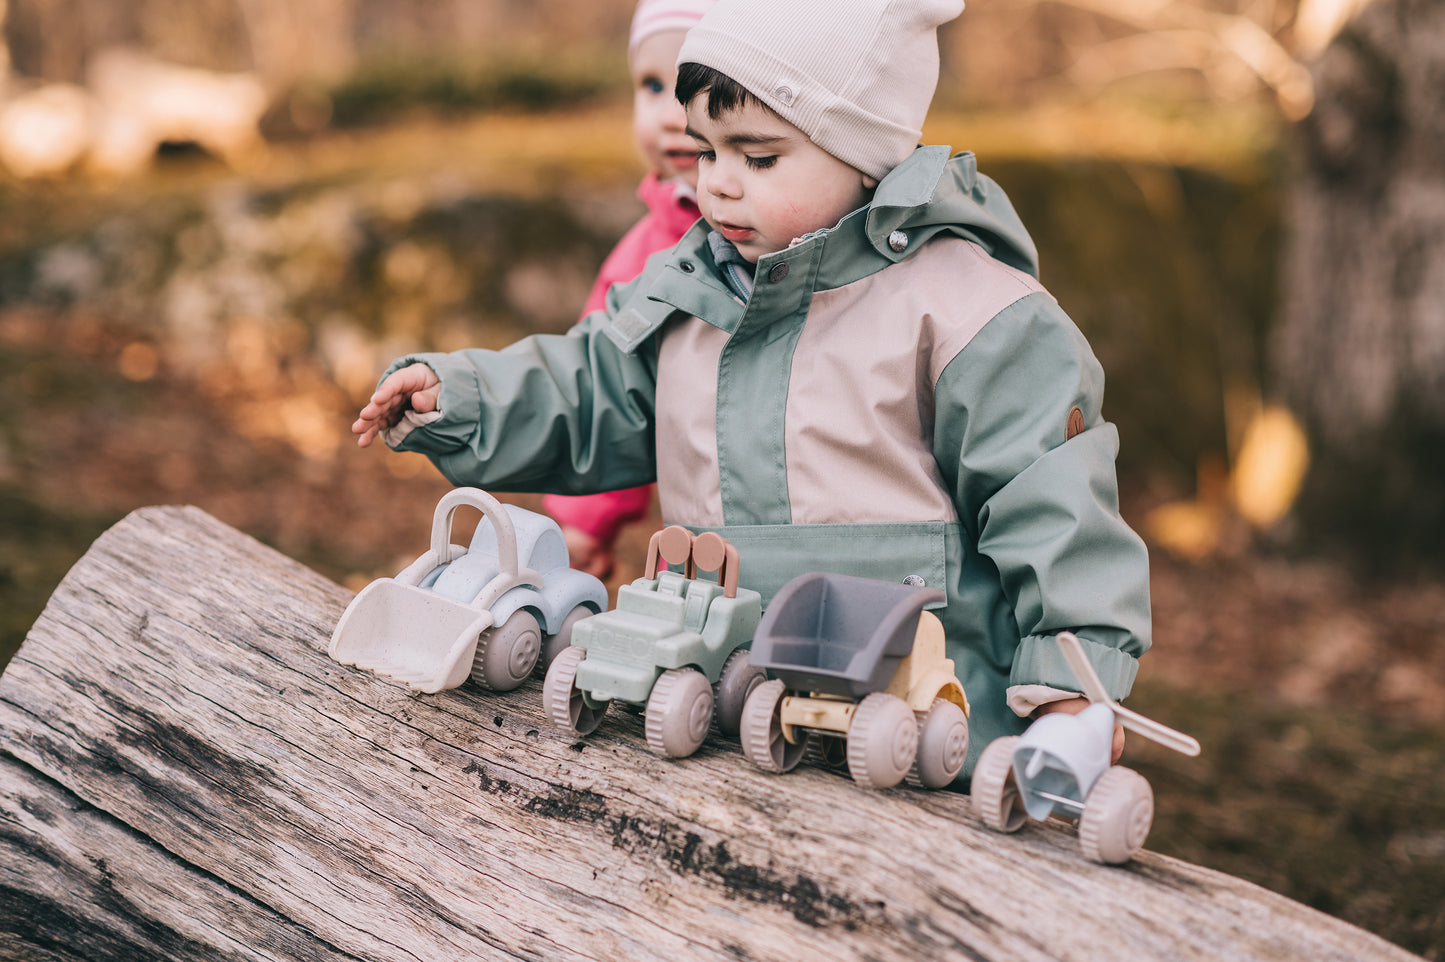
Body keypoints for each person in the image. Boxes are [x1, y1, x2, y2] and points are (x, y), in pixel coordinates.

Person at [353, 0, 1149, 779]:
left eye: (758, 157)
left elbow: (1051, 502)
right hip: (720, 723)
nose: (719, 187)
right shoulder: (686, 296)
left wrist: (1077, 687)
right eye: (705, 152)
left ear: (866, 153)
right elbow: (589, 391)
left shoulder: (971, 316)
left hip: (918, 737)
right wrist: (462, 398)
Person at [542, 0, 716, 581]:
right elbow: (603, 383)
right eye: (650, 84)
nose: (670, 114)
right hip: (711, 534)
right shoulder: (643, 257)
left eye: (694, 83)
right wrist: (583, 521)